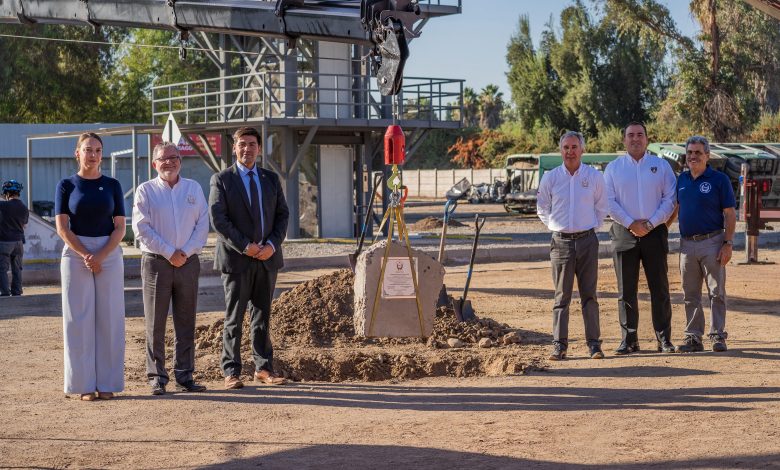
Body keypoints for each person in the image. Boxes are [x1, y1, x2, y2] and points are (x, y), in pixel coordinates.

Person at [209, 127, 289, 389]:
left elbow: (283, 215)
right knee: (234, 318)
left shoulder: (270, 179)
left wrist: (272, 245)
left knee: (262, 317)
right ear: (234, 148)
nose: (247, 149)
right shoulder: (222, 180)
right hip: (237, 260)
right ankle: (231, 371)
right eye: (242, 144)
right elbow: (219, 220)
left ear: (259, 148)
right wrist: (246, 246)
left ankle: (263, 368)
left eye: (252, 144)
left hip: (267, 259)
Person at [132, 142, 209, 395]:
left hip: (188, 262)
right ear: (154, 163)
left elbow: (202, 225)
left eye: (173, 157)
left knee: (186, 321)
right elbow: (141, 228)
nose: (169, 162)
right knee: (155, 323)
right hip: (156, 263)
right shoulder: (145, 190)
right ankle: (157, 377)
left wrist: (185, 252)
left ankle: (185, 376)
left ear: (180, 161)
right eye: (163, 159)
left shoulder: (193, 188)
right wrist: (169, 252)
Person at [55, 133, 126, 402]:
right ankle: (83, 384)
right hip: (76, 253)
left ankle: (108, 382)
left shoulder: (112, 185)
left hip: (109, 251)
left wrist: (101, 255)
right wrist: (86, 255)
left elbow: (120, 227)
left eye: (97, 150)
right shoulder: (66, 185)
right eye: (88, 149)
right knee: (78, 319)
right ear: (78, 153)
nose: (93, 155)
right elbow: (62, 228)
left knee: (110, 317)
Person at [604, 122, 677, 354]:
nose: (635, 139)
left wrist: (650, 223)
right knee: (626, 290)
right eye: (631, 135)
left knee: (660, 288)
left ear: (647, 139)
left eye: (640, 134)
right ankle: (629, 340)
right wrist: (631, 223)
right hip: (623, 232)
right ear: (624, 139)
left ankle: (664, 339)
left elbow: (670, 199)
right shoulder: (613, 168)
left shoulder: (661, 166)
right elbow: (608, 201)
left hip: (654, 232)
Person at [537, 131, 608, 360]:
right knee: (561, 297)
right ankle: (559, 346)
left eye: (574, 147)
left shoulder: (594, 177)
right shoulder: (551, 177)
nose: (570, 152)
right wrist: (555, 226)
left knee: (590, 296)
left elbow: (602, 206)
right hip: (561, 244)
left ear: (582, 150)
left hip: (588, 242)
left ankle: (594, 345)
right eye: (566, 147)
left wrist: (591, 227)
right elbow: (542, 206)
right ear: (560, 150)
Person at [675, 136, 736, 353]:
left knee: (716, 292)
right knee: (690, 294)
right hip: (686, 245)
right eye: (690, 152)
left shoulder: (719, 180)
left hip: (713, 242)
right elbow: (675, 208)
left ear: (707, 155)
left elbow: (730, 213)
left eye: (698, 153)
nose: (693, 156)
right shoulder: (681, 180)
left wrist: (728, 243)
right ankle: (693, 337)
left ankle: (718, 336)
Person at [0, 180, 29, 297]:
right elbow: (24, 225)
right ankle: (17, 291)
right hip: (19, 242)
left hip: (5, 242)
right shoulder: (24, 208)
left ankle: (5, 292)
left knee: (2, 269)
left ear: (7, 193)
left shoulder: (3, 205)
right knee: (17, 269)